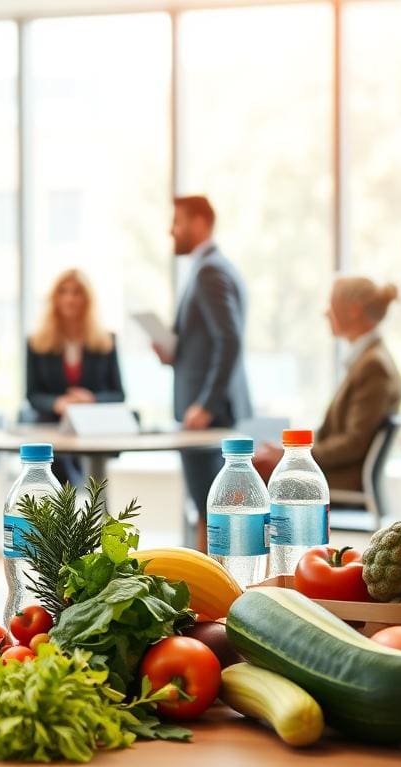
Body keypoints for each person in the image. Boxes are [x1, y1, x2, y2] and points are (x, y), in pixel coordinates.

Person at [154, 195, 251, 551]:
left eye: (177, 222)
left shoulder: (210, 271)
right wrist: (173, 353)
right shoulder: (212, 267)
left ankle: (212, 597)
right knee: (212, 511)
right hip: (206, 411)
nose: (171, 230)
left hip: (209, 416)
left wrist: (206, 403)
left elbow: (229, 339)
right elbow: (213, 341)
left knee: (214, 513)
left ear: (200, 222)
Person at [254, 277, 401, 491]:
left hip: (343, 478)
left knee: (247, 478)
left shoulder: (373, 366)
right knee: (256, 467)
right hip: (336, 472)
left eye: (331, 305)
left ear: (353, 310)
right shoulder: (367, 359)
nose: (325, 313)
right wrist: (289, 451)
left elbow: (354, 443)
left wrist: (291, 457)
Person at [26, 268, 125, 484]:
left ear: (87, 299)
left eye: (77, 292)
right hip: (52, 429)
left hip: (93, 431)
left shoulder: (106, 341)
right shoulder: (37, 343)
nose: (70, 299)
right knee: (59, 484)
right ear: (55, 298)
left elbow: (118, 394)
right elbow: (32, 394)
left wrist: (91, 399)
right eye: (64, 292)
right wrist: (58, 403)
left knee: (95, 486)